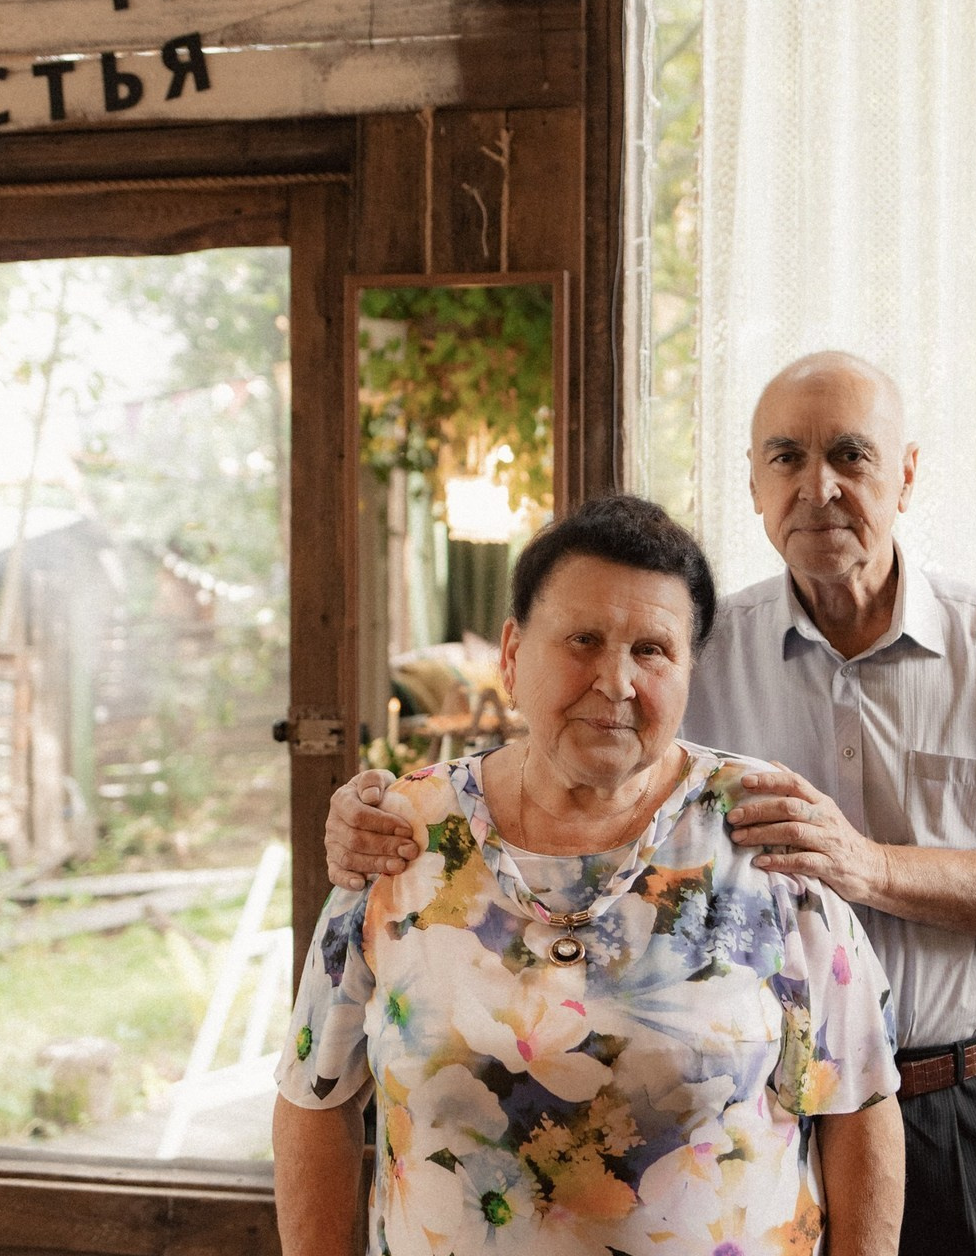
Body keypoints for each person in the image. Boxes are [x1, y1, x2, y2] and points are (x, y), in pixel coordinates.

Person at [325, 352, 976, 1256]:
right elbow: (566, 750)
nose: (816, 486)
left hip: (959, 1100)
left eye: (851, 456)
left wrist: (871, 867)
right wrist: (387, 819)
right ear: (752, 482)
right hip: (740, 1098)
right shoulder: (685, 646)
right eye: (785, 457)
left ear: (905, 473)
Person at [275, 493, 904, 1256]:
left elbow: (859, 1103)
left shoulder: (762, 833)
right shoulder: (403, 835)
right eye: (583, 639)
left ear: (687, 672)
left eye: (652, 650)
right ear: (511, 655)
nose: (616, 681)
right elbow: (314, 1092)